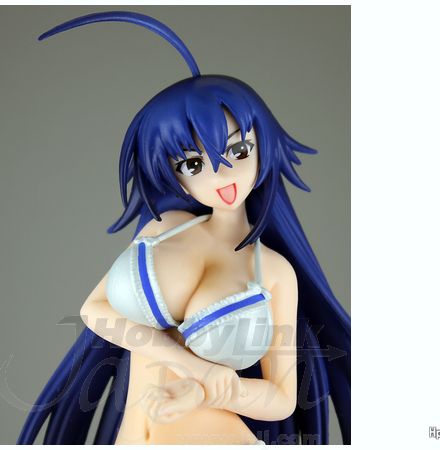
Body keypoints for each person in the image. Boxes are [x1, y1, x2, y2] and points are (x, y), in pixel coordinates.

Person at [18, 11, 350, 445]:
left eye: (239, 151)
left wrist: (209, 391)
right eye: (194, 164)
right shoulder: (166, 228)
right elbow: (95, 310)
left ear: (264, 147)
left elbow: (282, 398)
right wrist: (193, 367)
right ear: (173, 174)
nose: (222, 175)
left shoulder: (272, 271)